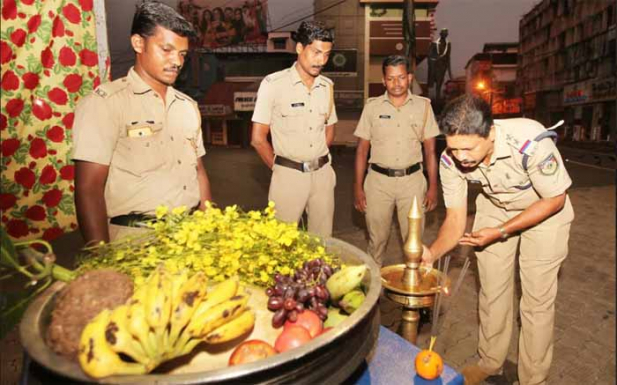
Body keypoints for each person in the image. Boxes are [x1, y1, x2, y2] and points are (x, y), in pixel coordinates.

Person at [422, 95, 574, 385]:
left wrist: (503, 231)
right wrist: (431, 253)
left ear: (490, 134)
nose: (461, 157)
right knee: (492, 293)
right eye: (454, 149)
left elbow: (556, 198)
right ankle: (491, 362)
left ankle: (533, 379)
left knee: (536, 302)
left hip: (545, 210)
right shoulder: (450, 160)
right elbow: (455, 220)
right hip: (496, 207)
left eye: (468, 148)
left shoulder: (530, 141)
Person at [72, 1, 212, 245]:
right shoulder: (105, 104)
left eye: (182, 54)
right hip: (134, 241)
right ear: (138, 43)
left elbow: (198, 171)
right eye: (166, 49)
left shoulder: (187, 106)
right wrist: (101, 257)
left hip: (189, 238)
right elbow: (88, 189)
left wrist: (210, 227)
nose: (177, 61)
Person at [251, 21, 337, 238]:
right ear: (299, 48)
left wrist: (316, 161)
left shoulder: (327, 86)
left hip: (322, 176)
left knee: (322, 243)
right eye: (316, 52)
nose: (321, 61)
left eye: (326, 55)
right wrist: (281, 169)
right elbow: (258, 138)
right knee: (281, 243)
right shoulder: (273, 84)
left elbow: (329, 129)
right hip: (288, 175)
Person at [353, 55, 439, 266]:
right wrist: (357, 187)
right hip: (378, 183)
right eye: (391, 78)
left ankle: (412, 291)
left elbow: (430, 151)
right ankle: (373, 290)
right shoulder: (372, 107)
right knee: (377, 240)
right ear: (383, 80)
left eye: (401, 77)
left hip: (412, 182)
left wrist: (433, 187)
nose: (396, 83)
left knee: (414, 241)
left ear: (409, 78)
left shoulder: (424, 107)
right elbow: (362, 151)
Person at [427, 28, 452, 104]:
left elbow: (448, 57)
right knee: (435, 83)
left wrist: (449, 71)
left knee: (440, 83)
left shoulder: (448, 44)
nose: (445, 35)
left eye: (446, 34)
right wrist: (435, 59)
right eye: (443, 33)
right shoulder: (435, 43)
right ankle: (433, 98)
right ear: (441, 34)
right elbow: (429, 55)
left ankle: (438, 99)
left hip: (443, 66)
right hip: (436, 66)